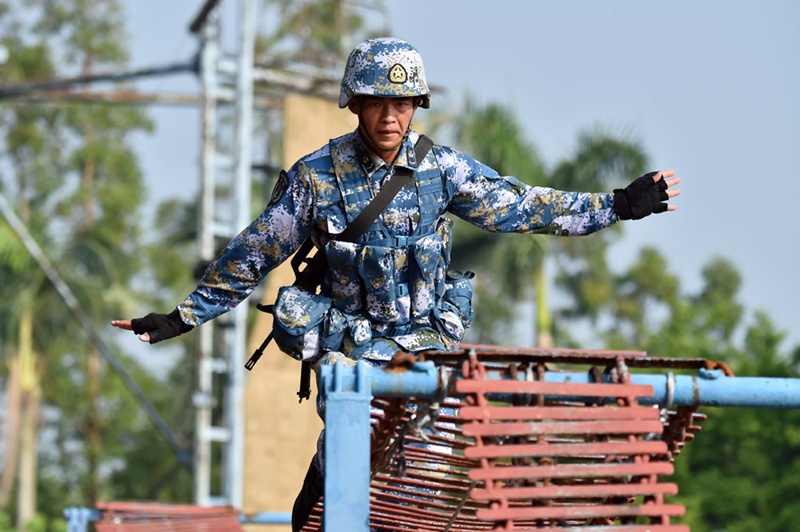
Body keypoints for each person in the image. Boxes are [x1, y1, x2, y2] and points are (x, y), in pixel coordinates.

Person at [111, 37, 680, 530]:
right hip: (349, 346)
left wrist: (617, 205)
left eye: (403, 104)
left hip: (427, 344)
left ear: (415, 106)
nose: (391, 117)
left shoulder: (442, 170)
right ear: (355, 104)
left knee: (423, 481)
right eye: (379, 103)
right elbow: (253, 253)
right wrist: (181, 317)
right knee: (344, 474)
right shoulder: (316, 178)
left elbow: (522, 205)